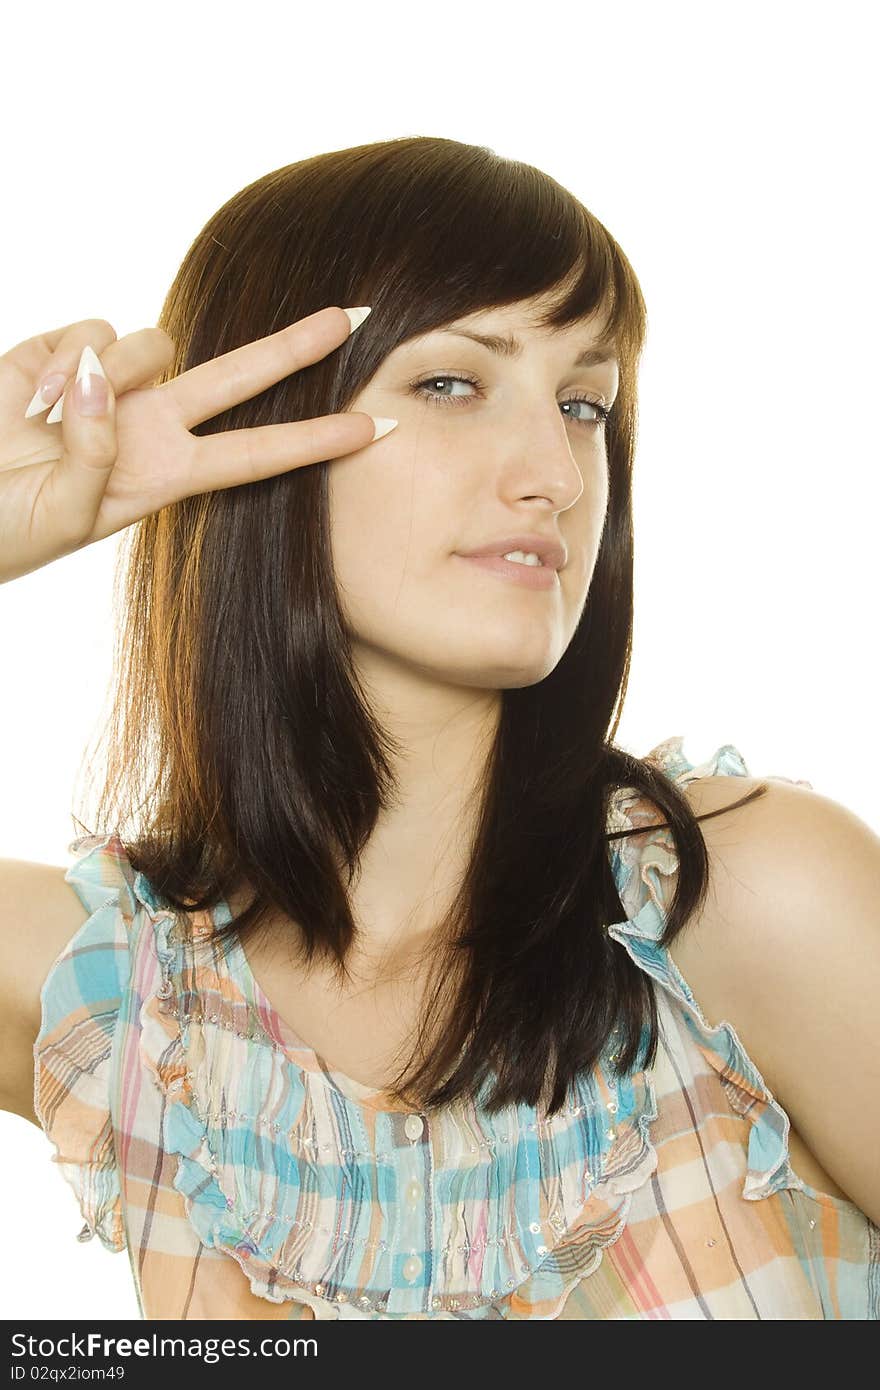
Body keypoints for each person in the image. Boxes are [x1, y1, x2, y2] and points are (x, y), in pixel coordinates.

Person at [0, 136, 877, 1321]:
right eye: (453, 383)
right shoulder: (123, 997)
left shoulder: (747, 902)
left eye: (582, 404)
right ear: (255, 421)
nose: (554, 475)